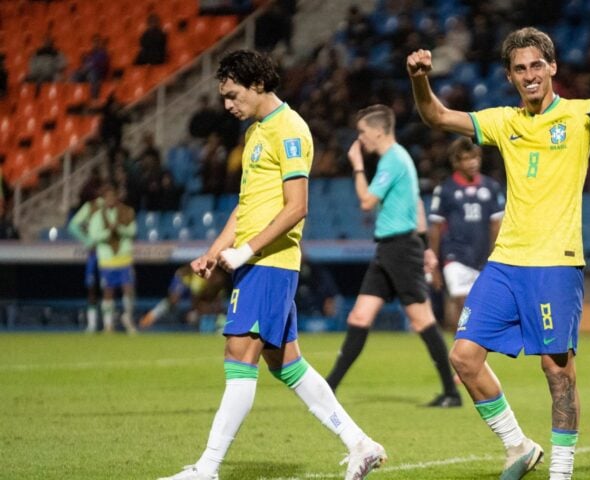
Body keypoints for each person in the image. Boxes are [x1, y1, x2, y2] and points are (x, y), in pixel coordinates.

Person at [407, 27, 590, 479]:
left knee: (557, 372)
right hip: (506, 262)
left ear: (552, 68)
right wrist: (419, 78)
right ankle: (518, 446)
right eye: (520, 69)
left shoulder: (579, 117)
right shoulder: (503, 121)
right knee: (465, 357)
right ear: (511, 77)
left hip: (555, 261)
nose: (529, 75)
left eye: (536, 65)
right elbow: (437, 116)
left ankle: (561, 473)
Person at [158, 50, 385, 480]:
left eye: (232, 94)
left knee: (238, 355)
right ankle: (361, 444)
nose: (227, 105)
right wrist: (214, 251)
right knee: (286, 365)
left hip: (270, 262)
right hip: (256, 263)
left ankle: (206, 468)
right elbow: (246, 208)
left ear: (257, 84)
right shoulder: (257, 133)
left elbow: (296, 207)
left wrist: (246, 252)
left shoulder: (290, 129)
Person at [325, 104, 462, 408]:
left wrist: (357, 165)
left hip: (400, 248)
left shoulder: (392, 160)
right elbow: (417, 205)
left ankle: (451, 393)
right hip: (390, 248)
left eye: (362, 132)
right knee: (359, 316)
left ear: (377, 131)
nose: (360, 139)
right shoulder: (401, 159)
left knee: (422, 319)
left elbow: (365, 201)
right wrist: (426, 246)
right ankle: (328, 388)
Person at [427, 137, 505, 331]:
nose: (473, 163)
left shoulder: (491, 188)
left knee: (477, 307)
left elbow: (496, 225)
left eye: (475, 158)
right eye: (467, 159)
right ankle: (460, 348)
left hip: (483, 256)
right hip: (455, 254)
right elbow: (435, 228)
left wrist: (495, 256)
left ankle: (467, 349)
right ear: (456, 162)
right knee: (461, 300)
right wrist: (433, 263)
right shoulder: (445, 190)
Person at [87, 185, 138, 334]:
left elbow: (133, 231)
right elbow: (94, 236)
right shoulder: (97, 216)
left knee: (128, 289)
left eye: (112, 196)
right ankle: (108, 325)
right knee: (108, 291)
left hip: (123, 257)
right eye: (107, 197)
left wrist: (119, 228)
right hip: (107, 259)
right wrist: (108, 231)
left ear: (116, 197)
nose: (110, 199)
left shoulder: (127, 212)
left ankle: (128, 318)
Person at [139, 264, 229, 331]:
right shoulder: (200, 280)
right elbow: (195, 300)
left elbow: (218, 303)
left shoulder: (218, 284)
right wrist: (197, 311)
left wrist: (215, 313)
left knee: (207, 307)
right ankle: (149, 318)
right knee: (173, 300)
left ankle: (215, 326)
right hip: (181, 278)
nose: (219, 282)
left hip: (196, 291)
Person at [66, 188, 105, 332]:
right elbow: (73, 226)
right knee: (92, 287)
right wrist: (88, 241)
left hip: (109, 254)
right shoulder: (91, 207)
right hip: (95, 254)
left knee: (107, 288)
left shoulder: (113, 208)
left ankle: (106, 324)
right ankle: (93, 324)